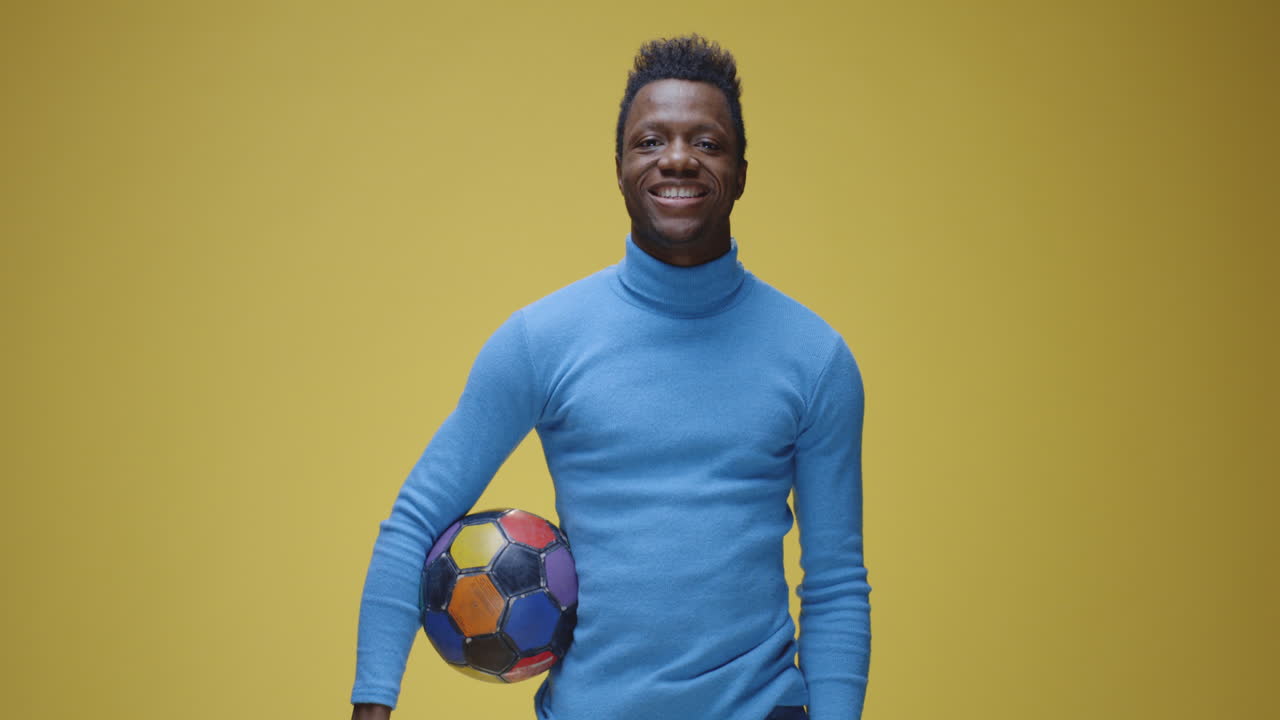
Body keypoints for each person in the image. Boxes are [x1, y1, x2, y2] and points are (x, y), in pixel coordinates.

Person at [351, 34, 871, 720]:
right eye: (650, 141)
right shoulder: (541, 341)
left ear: (742, 172)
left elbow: (835, 584)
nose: (677, 158)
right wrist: (373, 700)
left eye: (706, 143)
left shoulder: (816, 358)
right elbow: (414, 523)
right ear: (620, 169)